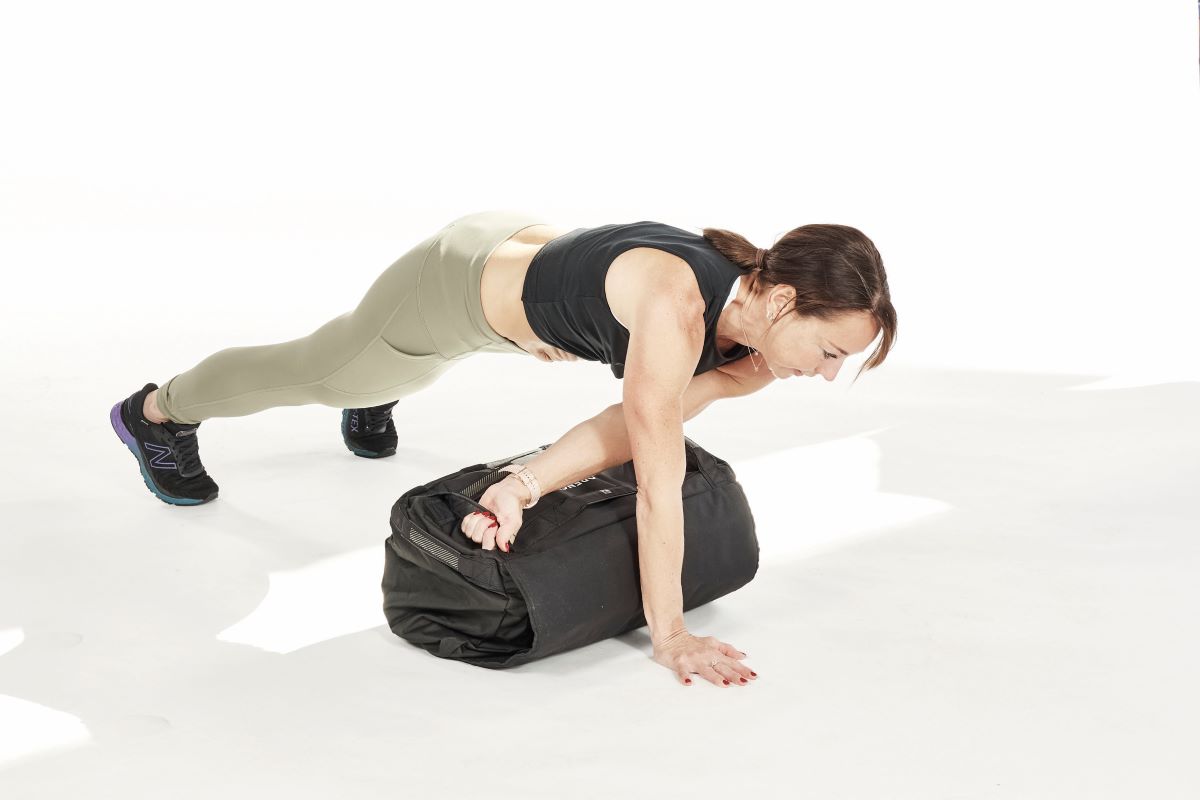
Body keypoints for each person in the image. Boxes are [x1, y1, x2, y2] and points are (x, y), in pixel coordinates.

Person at [109, 209, 896, 687]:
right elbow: (656, 482)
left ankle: (380, 381)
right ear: (787, 300)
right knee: (326, 368)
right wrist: (672, 636)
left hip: (524, 248)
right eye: (830, 350)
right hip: (457, 284)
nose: (826, 374)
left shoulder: (751, 341)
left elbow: (634, 428)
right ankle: (158, 411)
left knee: (385, 368)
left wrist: (523, 483)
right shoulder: (677, 307)